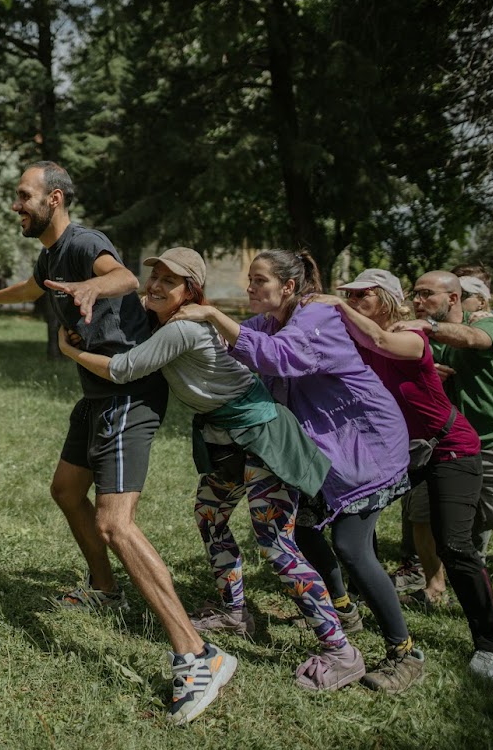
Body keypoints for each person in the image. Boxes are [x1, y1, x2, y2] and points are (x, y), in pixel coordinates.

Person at [0, 163, 234, 726]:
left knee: (116, 523)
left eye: (23, 196)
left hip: (128, 395)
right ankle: (106, 589)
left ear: (53, 199)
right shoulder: (48, 255)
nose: (17, 205)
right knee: (65, 490)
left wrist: (92, 285)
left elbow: (125, 278)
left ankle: (198, 654)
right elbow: (34, 287)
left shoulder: (85, 243)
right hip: (96, 394)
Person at [57, 248, 357, 691]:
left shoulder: (183, 328)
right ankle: (235, 613)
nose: (156, 285)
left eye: (169, 281)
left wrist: (68, 349)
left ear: (190, 292)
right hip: (227, 439)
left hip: (261, 438)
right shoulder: (166, 318)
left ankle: (341, 650)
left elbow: (122, 369)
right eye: (154, 276)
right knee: (210, 515)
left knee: (276, 543)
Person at [175, 249, 422, 693]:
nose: (250, 288)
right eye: (249, 280)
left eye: (259, 280)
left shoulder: (314, 318)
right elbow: (233, 344)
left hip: (366, 446)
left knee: (351, 546)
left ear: (288, 287)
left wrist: (212, 311)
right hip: (323, 453)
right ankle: (343, 614)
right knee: (304, 532)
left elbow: (275, 357)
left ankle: (404, 653)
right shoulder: (271, 320)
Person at [307, 269, 493, 680]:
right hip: (398, 453)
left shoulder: (409, 335)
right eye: (348, 294)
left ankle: (491, 643)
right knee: (353, 529)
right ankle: (357, 605)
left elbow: (382, 341)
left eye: (361, 295)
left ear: (382, 298)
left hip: (450, 447)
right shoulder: (355, 342)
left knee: (453, 545)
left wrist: (338, 306)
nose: (351, 299)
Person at [394, 270, 493, 635]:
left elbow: (474, 339)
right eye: (415, 294)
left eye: (427, 294)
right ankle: (434, 585)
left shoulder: (491, 324)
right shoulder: (424, 334)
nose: (418, 300)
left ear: (453, 299)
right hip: (442, 442)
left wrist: (428, 329)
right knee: (422, 515)